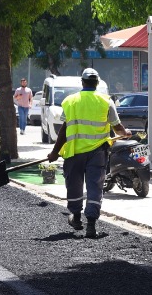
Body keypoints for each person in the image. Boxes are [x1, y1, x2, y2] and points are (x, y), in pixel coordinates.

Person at [47, 68, 131, 239]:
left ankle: (76, 217)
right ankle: (91, 226)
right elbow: (117, 127)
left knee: (74, 185)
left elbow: (64, 129)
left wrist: (55, 152)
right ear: (97, 83)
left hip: (74, 152)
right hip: (97, 153)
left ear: (82, 82)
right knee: (95, 187)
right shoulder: (106, 101)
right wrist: (126, 133)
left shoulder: (70, 101)